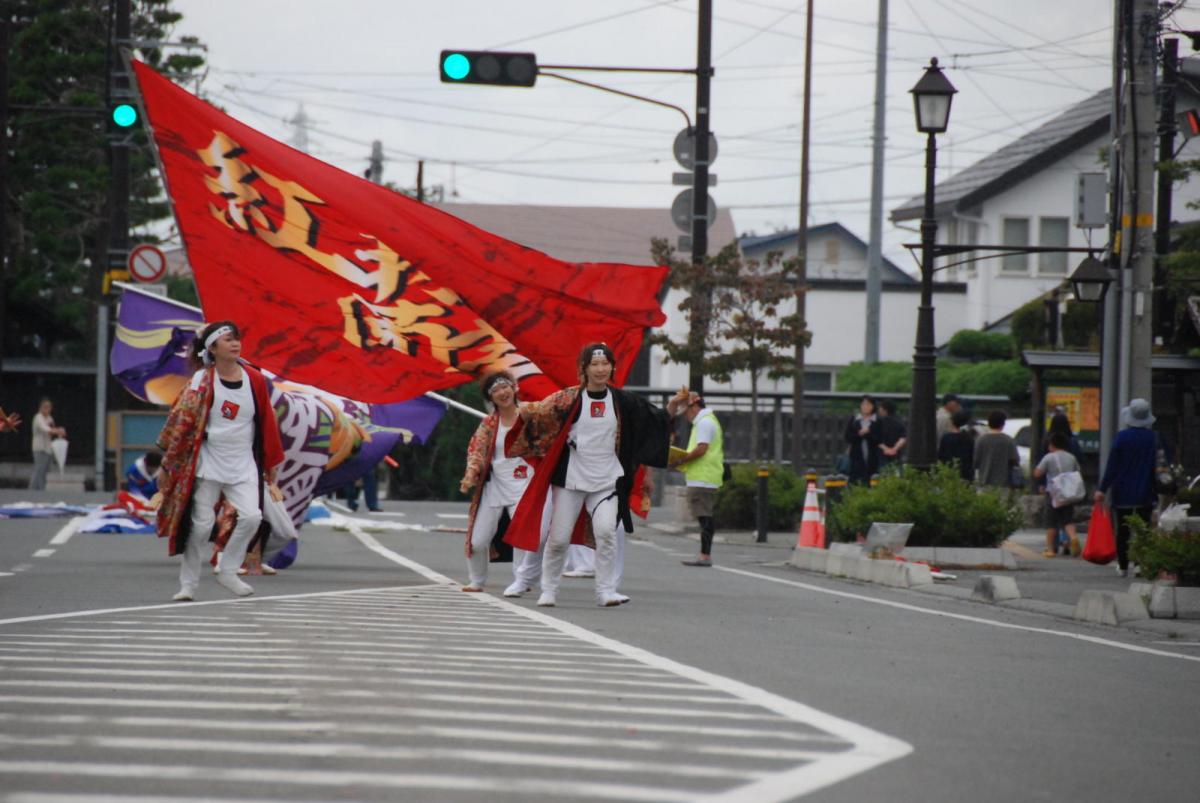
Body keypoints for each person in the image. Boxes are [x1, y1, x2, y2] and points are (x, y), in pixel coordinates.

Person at [505, 343, 678, 608]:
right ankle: (549, 590)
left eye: (605, 364)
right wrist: (518, 409)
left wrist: (673, 407)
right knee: (559, 539)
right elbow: (538, 413)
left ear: (612, 367)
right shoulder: (568, 399)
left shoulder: (623, 402)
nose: (600, 369)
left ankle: (606, 591)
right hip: (571, 480)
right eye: (594, 364)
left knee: (606, 533)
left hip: (607, 480)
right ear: (583, 368)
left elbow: (652, 420)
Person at [155, 321, 285, 601]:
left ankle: (228, 570)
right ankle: (188, 585)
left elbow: (267, 420)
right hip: (208, 462)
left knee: (252, 516)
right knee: (201, 526)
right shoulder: (202, 380)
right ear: (212, 348)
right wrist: (168, 463)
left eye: (236, 338)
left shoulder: (255, 379)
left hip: (243, 462)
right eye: (227, 340)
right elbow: (181, 421)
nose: (235, 344)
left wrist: (272, 461)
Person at [458, 371, 547, 596]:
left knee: (522, 536)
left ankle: (521, 580)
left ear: (514, 388)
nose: (502, 393)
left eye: (505, 387)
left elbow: (551, 434)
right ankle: (477, 580)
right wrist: (471, 474)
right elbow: (476, 450)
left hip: (525, 485)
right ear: (491, 398)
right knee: (478, 540)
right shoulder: (489, 424)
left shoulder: (531, 414)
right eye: (495, 390)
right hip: (495, 485)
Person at [1095, 398, 1158, 577]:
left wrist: (1102, 488)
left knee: (1123, 531)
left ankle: (1123, 565)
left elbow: (1112, 466)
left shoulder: (1121, 438)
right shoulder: (1154, 438)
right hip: (1146, 491)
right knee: (1143, 530)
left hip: (1123, 492)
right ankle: (1140, 564)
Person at [670, 392, 725, 567]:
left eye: (686, 412)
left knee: (705, 517)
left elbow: (701, 449)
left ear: (694, 406)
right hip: (704, 476)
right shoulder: (707, 421)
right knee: (704, 517)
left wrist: (680, 460)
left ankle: (705, 556)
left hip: (703, 477)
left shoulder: (704, 423)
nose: (686, 416)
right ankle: (704, 554)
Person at [1034, 432, 1081, 558]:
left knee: (1051, 522)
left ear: (1052, 444)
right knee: (1068, 520)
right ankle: (1074, 538)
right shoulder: (1071, 457)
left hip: (1053, 494)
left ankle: (1050, 549)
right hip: (1068, 493)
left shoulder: (1049, 457)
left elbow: (1038, 473)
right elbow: (1077, 471)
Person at [974, 411, 1019, 490]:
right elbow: (1015, 460)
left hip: (984, 481)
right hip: (1004, 483)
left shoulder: (981, 440)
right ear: (1003, 424)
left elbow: (975, 461)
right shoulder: (1008, 440)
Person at [28, 399, 67, 490]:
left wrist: (59, 432)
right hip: (39, 448)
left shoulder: (50, 418)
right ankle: (32, 490)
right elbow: (45, 428)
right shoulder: (38, 418)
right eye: (45, 407)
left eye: (49, 407)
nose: (47, 409)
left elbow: (52, 430)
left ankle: (42, 490)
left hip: (48, 448)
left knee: (47, 470)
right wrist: (58, 431)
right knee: (39, 469)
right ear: (40, 408)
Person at [843, 395, 881, 485]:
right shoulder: (854, 419)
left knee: (870, 480)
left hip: (873, 456)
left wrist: (868, 433)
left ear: (873, 406)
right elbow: (847, 437)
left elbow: (880, 438)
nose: (865, 407)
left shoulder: (877, 420)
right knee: (854, 480)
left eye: (868, 404)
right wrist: (859, 434)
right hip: (856, 455)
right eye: (863, 404)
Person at [937, 409, 975, 482]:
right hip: (965, 474)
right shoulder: (969, 438)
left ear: (952, 422)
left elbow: (941, 456)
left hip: (948, 473)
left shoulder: (946, 438)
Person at [877, 399, 907, 471]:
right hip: (896, 456)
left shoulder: (879, 422)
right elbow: (903, 438)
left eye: (880, 408)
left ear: (885, 410)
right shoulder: (900, 421)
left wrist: (886, 449)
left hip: (882, 456)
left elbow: (876, 439)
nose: (879, 410)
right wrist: (894, 449)